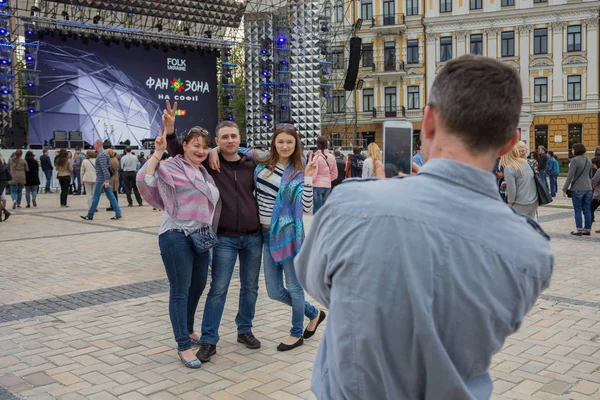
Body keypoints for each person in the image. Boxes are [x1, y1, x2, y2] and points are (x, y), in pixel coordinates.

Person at [295, 55, 554, 399]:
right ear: (511, 141)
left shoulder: (350, 207)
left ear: (428, 122)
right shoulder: (532, 252)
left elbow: (318, 285)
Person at [211, 124, 326, 351]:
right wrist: (214, 150)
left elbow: (307, 208)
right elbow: (234, 149)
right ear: (274, 142)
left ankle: (296, 333)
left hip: (290, 234)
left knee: (293, 287)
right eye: (280, 141)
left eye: (289, 142)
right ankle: (313, 313)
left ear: (296, 145)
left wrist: (309, 178)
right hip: (264, 234)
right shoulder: (261, 162)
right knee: (274, 291)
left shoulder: (299, 169)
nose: (284, 146)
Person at [166, 111, 263, 362]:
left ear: (240, 138)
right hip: (224, 238)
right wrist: (169, 130)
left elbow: (280, 156)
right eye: (224, 137)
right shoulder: (209, 161)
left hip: (253, 237)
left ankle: (245, 330)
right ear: (217, 141)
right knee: (218, 289)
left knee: (250, 288)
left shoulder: (252, 163)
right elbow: (180, 149)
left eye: (233, 136)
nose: (229, 140)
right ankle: (209, 340)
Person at [137, 125, 221, 369]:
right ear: (184, 145)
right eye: (196, 145)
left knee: (198, 285)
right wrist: (157, 152)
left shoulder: (205, 173)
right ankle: (183, 344)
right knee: (180, 290)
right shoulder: (172, 166)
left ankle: (188, 328)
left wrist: (214, 150)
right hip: (176, 235)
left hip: (201, 236)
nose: (200, 150)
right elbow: (145, 179)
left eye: (205, 147)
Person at [80, 141, 122, 220]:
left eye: (94, 144)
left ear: (98, 145)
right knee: (111, 197)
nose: (93, 145)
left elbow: (104, 169)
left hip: (101, 179)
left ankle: (90, 215)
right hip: (103, 179)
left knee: (96, 197)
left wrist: (106, 180)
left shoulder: (102, 155)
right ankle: (118, 213)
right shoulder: (104, 153)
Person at [500, 141, 538, 219]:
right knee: (528, 227)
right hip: (533, 201)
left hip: (519, 203)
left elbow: (512, 189)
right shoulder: (525, 164)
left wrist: (510, 203)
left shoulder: (509, 168)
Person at [563, 143, 593, 236]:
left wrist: (564, 188)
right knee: (587, 209)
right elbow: (590, 174)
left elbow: (570, 176)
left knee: (577, 210)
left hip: (577, 188)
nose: (572, 151)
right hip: (588, 188)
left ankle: (579, 230)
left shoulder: (574, 160)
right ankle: (587, 229)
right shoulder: (589, 159)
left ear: (576, 150)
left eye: (572, 149)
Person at [312, 136, 337, 213]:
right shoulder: (332, 157)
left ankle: (317, 225)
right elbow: (335, 174)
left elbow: (314, 173)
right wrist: (327, 179)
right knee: (325, 211)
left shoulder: (316, 157)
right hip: (327, 185)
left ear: (317, 145)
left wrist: (309, 182)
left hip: (317, 186)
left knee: (317, 211)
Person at [0, 153, 11, 221]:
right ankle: (4, 212)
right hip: (2, 184)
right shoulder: (3, 166)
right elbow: (9, 177)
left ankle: (5, 212)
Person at [591, 156, 600, 232]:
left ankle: (587, 227)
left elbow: (593, 181)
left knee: (590, 209)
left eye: (593, 164)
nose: (593, 166)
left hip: (598, 195)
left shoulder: (599, 170)